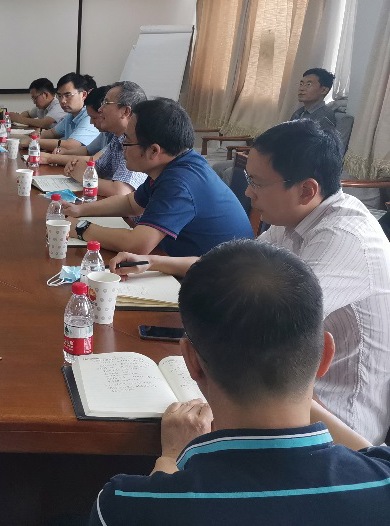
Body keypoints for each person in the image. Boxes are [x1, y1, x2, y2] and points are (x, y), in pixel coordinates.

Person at [110, 119, 390, 444]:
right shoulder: (294, 217)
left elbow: (267, 321)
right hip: (278, 384)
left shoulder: (344, 240)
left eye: (257, 183)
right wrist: (155, 262)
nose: (247, 192)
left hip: (335, 424)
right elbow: (235, 268)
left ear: (306, 190)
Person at [89, 239, 390, 525]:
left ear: (191, 360)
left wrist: (171, 457)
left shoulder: (124, 505)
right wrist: (297, 380)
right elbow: (373, 456)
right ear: (325, 357)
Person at [63, 97, 252, 255]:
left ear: (154, 150)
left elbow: (137, 244)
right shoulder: (176, 163)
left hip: (218, 279)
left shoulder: (179, 181)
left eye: (127, 140)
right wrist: (80, 210)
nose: (122, 147)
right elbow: (131, 204)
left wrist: (80, 227)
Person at [213, 68, 338, 183]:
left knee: (231, 173)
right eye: (301, 84)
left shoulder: (324, 117)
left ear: (324, 90)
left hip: (294, 166)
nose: (302, 88)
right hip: (279, 159)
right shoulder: (299, 113)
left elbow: (314, 152)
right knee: (217, 167)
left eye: (309, 84)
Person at [59, 82, 149, 195]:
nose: (100, 109)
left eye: (106, 103)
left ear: (126, 111)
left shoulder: (138, 142)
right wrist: (79, 165)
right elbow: (99, 168)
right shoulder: (117, 138)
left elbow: (120, 191)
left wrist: (84, 176)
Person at [22, 73, 99, 161]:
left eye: (68, 95)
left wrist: (33, 142)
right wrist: (37, 135)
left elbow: (71, 145)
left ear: (83, 95)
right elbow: (52, 133)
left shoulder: (90, 116)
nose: (62, 101)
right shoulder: (71, 115)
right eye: (59, 96)